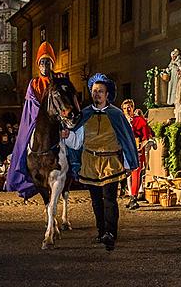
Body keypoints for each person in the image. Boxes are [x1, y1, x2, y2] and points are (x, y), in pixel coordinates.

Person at [65, 73, 138, 251]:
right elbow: (77, 141)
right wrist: (67, 136)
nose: (97, 94)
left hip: (110, 162)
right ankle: (101, 231)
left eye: (101, 91)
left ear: (107, 94)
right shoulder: (85, 115)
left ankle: (111, 233)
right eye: (95, 91)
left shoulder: (117, 115)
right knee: (96, 201)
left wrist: (128, 164)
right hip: (90, 163)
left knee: (110, 200)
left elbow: (125, 139)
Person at [6, 41, 57, 199]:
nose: (44, 65)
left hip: (55, 120)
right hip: (37, 120)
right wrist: (42, 115)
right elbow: (32, 103)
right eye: (42, 62)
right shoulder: (34, 83)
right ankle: (24, 175)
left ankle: (74, 170)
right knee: (25, 142)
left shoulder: (57, 80)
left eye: (47, 62)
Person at [121, 99, 151, 210]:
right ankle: (130, 196)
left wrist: (140, 147)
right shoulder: (122, 121)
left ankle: (134, 198)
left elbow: (145, 136)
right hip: (125, 151)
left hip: (137, 150)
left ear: (133, 108)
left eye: (129, 107)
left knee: (136, 173)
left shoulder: (140, 120)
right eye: (125, 108)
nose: (127, 110)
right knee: (127, 175)